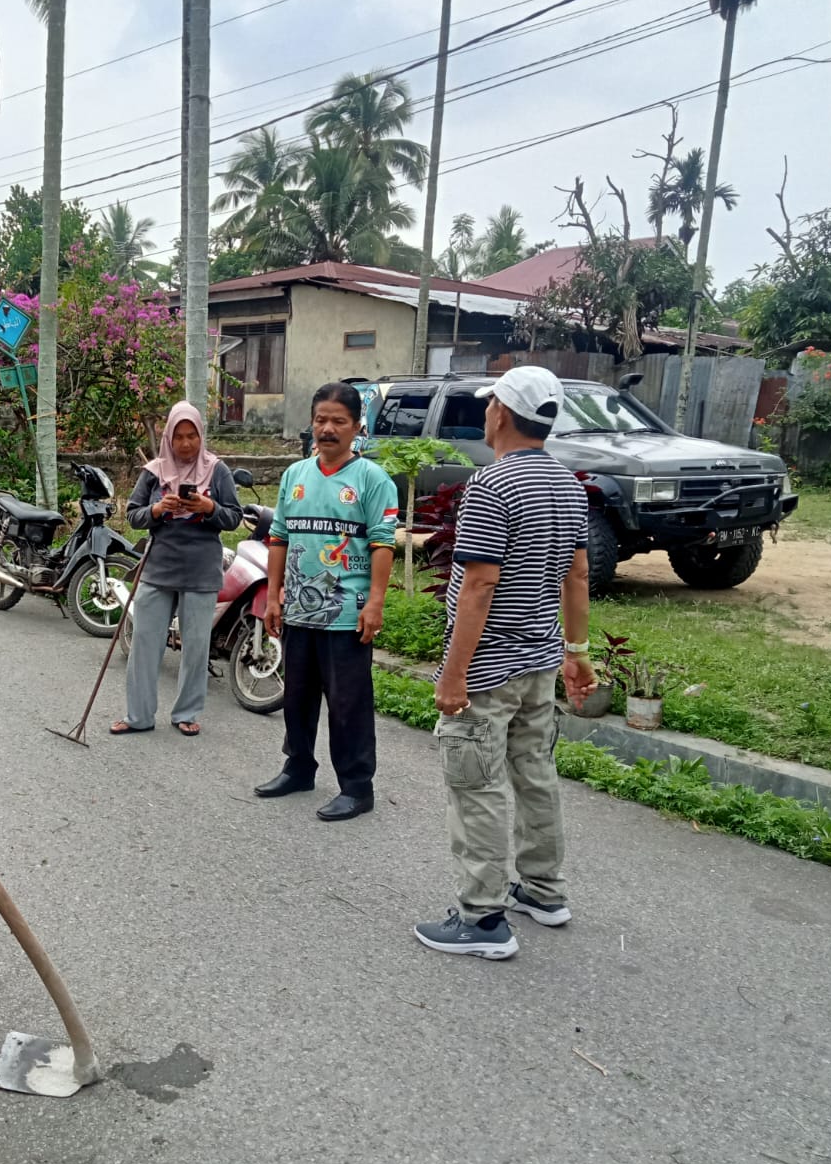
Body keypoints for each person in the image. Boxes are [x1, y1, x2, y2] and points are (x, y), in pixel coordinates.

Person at [413, 366, 596, 961]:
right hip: (539, 661)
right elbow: (577, 574)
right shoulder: (566, 482)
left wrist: (453, 673)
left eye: (490, 403)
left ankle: (483, 917)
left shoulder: (493, 484)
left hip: (489, 667)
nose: (487, 411)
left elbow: (479, 584)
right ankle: (543, 890)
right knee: (534, 772)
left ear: (502, 413)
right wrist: (576, 653)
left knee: (477, 783)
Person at [252, 382, 397, 822]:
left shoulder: (372, 480)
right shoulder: (294, 476)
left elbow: (383, 544)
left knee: (348, 705)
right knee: (297, 699)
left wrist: (375, 603)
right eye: (320, 420)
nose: (327, 429)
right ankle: (298, 768)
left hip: (347, 615)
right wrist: (273, 595)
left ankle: (357, 787)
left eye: (338, 421)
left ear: (356, 427)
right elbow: (279, 538)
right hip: (298, 609)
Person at [113, 402, 243, 738]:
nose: (186, 444)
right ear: (168, 438)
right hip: (159, 568)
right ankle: (138, 715)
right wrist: (157, 509)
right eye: (179, 437)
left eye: (192, 436)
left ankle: (187, 713)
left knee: (196, 647)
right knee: (144, 643)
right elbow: (133, 515)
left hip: (201, 570)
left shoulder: (217, 470)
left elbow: (233, 517)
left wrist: (209, 506)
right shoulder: (154, 471)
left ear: (201, 436)